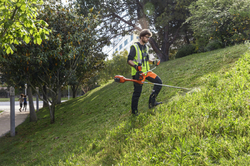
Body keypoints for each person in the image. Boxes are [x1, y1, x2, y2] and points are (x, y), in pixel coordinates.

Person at [127, 29, 162, 116]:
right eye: (147, 37)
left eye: (148, 37)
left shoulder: (146, 47)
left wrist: (153, 62)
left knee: (159, 83)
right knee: (137, 93)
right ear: (142, 37)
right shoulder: (134, 47)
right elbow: (129, 60)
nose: (148, 39)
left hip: (147, 72)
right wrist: (136, 66)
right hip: (138, 74)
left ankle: (152, 103)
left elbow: (146, 60)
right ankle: (134, 112)